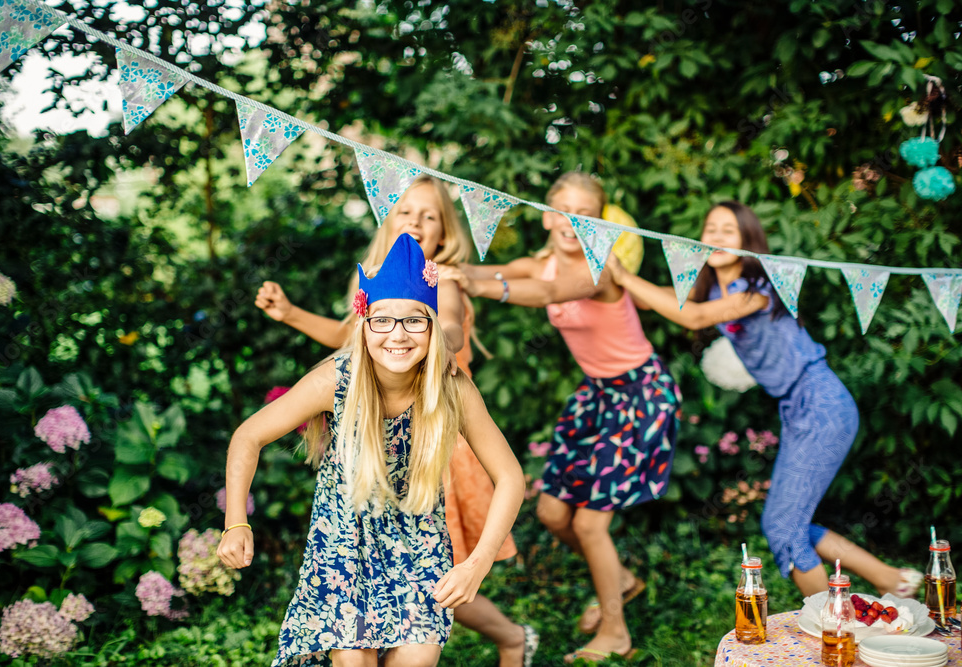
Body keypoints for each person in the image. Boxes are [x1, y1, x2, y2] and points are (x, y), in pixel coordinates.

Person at [254, 177, 538, 667]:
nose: (416, 222)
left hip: (438, 442)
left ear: (445, 232)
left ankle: (511, 636)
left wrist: (438, 342)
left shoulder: (438, 281)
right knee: (401, 569)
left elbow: (446, 320)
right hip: (379, 444)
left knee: (435, 572)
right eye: (406, 211)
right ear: (388, 217)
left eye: (429, 215)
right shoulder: (376, 287)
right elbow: (350, 336)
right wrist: (292, 314)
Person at [606, 200, 923, 598]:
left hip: (821, 401)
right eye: (711, 229)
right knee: (791, 523)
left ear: (748, 241)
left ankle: (830, 624)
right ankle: (891, 580)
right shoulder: (712, 291)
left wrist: (622, 275)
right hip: (799, 406)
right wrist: (612, 267)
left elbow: (693, 318)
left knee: (782, 527)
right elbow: (655, 298)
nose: (717, 236)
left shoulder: (759, 287)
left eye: (729, 230)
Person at [442, 172, 681, 664]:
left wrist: (481, 287)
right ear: (548, 215)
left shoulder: (601, 270)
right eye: (564, 210)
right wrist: (437, 267)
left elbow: (550, 292)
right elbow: (496, 271)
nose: (574, 221)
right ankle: (622, 580)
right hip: (597, 396)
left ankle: (615, 631)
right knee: (552, 513)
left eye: (586, 214)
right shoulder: (542, 261)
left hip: (640, 395)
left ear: (600, 222)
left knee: (591, 524)